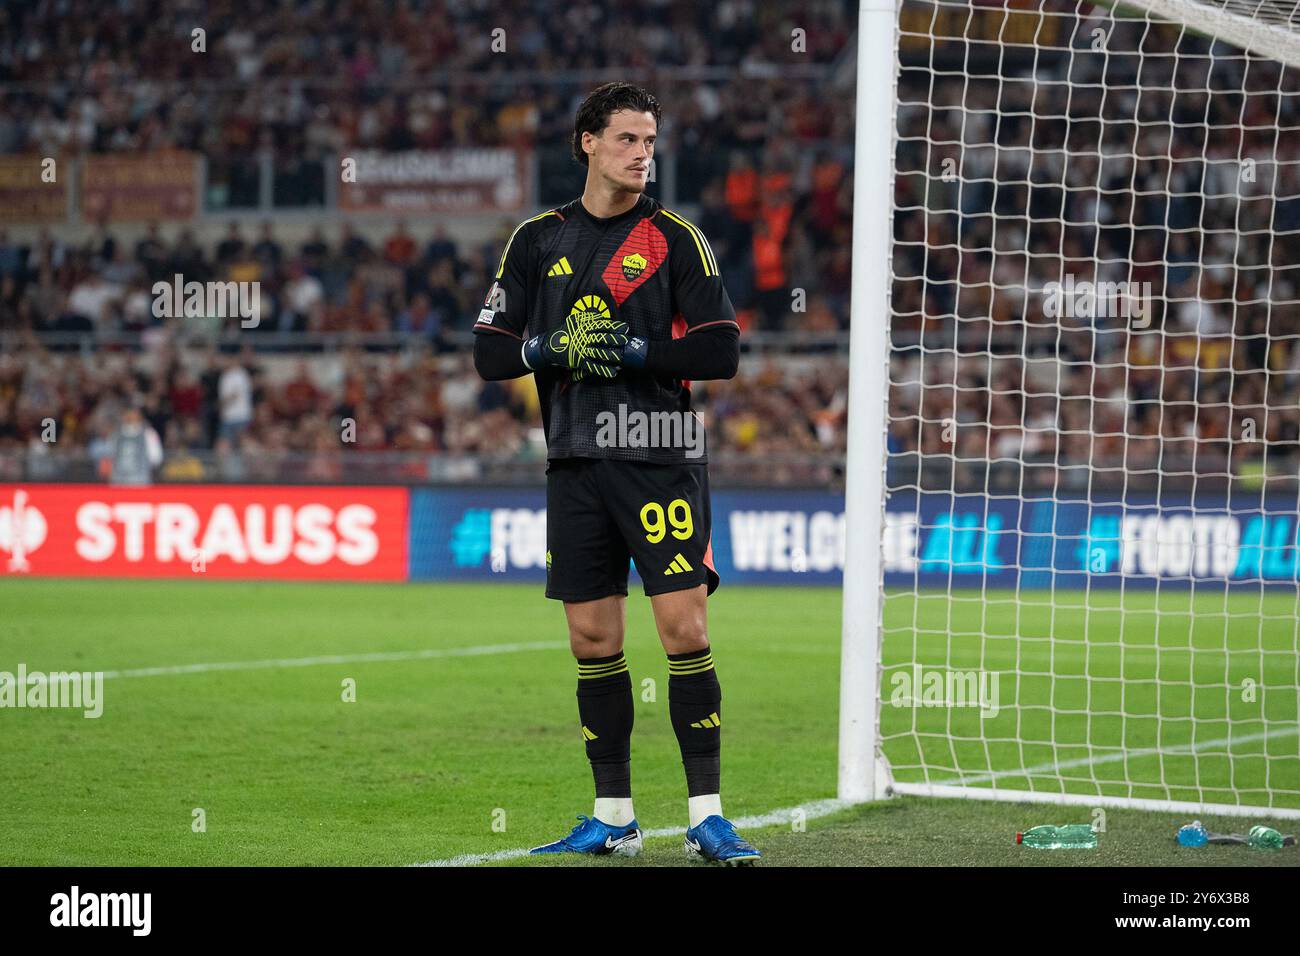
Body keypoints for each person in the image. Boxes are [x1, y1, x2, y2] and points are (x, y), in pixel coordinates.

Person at [472, 82, 757, 864]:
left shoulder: (674, 239)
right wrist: (546, 349)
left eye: (651, 140)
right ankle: (614, 816)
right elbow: (489, 350)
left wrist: (638, 353)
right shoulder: (537, 239)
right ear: (587, 142)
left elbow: (721, 350)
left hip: (658, 453)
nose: (643, 154)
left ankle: (708, 815)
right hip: (574, 459)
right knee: (593, 639)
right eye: (628, 138)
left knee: (683, 628)